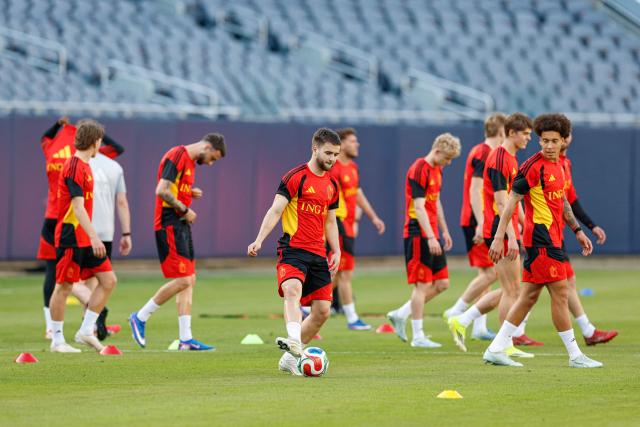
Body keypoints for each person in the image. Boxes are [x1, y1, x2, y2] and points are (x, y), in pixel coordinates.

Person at [482, 113, 602, 368]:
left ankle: (495, 348)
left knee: (528, 296)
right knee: (560, 292)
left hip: (553, 240)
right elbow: (509, 203)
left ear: (563, 142)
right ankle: (575, 355)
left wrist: (578, 231)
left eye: (553, 141)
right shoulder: (531, 167)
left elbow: (563, 201)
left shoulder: (559, 165)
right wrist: (499, 236)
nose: (548, 146)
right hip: (540, 241)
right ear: (539, 140)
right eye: (544, 140)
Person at [247, 128, 342, 375]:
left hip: (318, 253)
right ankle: (295, 341)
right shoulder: (295, 177)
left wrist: (338, 251)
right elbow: (275, 210)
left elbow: (331, 221)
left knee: (322, 312)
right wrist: (259, 240)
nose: (333, 159)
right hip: (293, 249)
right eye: (329, 153)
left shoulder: (332, 184)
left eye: (336, 154)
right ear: (315, 149)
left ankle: (290, 358)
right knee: (292, 290)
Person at [448, 113, 540, 355]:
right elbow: (501, 203)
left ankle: (464, 319)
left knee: (512, 288)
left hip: (503, 229)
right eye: (526, 134)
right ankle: (502, 346)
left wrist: (527, 224)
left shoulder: (510, 158)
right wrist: (510, 235)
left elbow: (514, 200)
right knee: (512, 290)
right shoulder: (499, 158)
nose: (529, 139)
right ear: (511, 133)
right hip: (498, 229)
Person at [129, 134, 226, 351]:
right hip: (169, 223)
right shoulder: (177, 155)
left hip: (180, 224)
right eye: (213, 158)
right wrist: (185, 208)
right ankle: (140, 316)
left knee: (189, 279)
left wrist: (188, 192)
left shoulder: (189, 162)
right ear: (207, 146)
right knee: (183, 280)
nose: (211, 163)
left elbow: (172, 188)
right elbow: (161, 190)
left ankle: (186, 339)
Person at [38, 118, 123, 339]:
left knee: (108, 280)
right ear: (95, 142)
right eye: (100, 141)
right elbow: (77, 207)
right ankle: (57, 339)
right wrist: (95, 237)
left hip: (84, 236)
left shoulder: (86, 166)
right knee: (63, 287)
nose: (101, 145)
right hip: (71, 235)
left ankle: (86, 330)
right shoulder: (74, 166)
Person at [386, 133, 461, 348]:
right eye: (447, 158)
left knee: (442, 283)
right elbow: (418, 208)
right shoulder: (419, 169)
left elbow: (435, 203)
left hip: (432, 232)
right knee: (422, 285)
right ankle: (418, 336)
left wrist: (444, 230)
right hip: (418, 232)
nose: (448, 163)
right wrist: (430, 236)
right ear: (437, 151)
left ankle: (401, 313)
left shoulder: (437, 171)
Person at [443, 113, 506, 340]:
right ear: (500, 132)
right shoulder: (484, 152)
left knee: (487, 272)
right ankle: (457, 310)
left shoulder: (484, 151)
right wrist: (481, 223)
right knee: (494, 272)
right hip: (477, 219)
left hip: (479, 218)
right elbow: (474, 190)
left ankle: (479, 328)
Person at [561, 135, 617, 345]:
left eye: (566, 135)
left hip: (556, 233)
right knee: (532, 288)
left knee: (563, 283)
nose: (564, 140)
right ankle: (467, 316)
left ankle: (588, 331)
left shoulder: (565, 164)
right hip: (544, 233)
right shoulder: (549, 165)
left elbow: (571, 200)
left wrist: (590, 226)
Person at [327, 128, 385, 330]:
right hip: (339, 224)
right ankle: (350, 317)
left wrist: (373, 217)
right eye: (353, 141)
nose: (357, 144)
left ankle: (307, 307)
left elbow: (358, 195)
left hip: (349, 226)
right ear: (341, 144)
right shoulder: (333, 169)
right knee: (341, 273)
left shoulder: (352, 167)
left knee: (338, 273)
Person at [83, 152, 132, 340]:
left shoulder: (78, 163)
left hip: (84, 230)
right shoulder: (115, 166)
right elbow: (121, 202)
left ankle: (95, 310)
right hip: (106, 233)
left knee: (67, 282)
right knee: (96, 281)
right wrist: (126, 233)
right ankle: (90, 327)